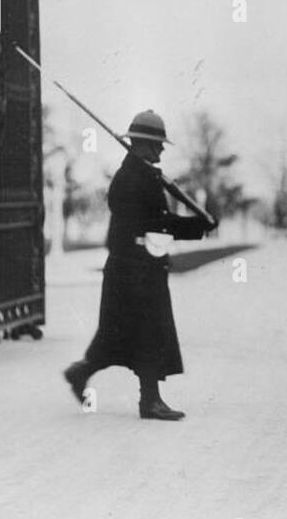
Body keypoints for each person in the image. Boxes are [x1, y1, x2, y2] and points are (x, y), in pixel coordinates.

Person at [64, 110, 216, 420]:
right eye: (157, 144)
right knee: (144, 332)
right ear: (141, 144)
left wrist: (196, 224)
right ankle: (149, 401)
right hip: (133, 270)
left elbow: (155, 222)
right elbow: (154, 223)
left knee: (122, 335)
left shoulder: (144, 175)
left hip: (138, 267)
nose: (161, 150)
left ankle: (83, 373)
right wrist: (196, 227)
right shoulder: (131, 179)